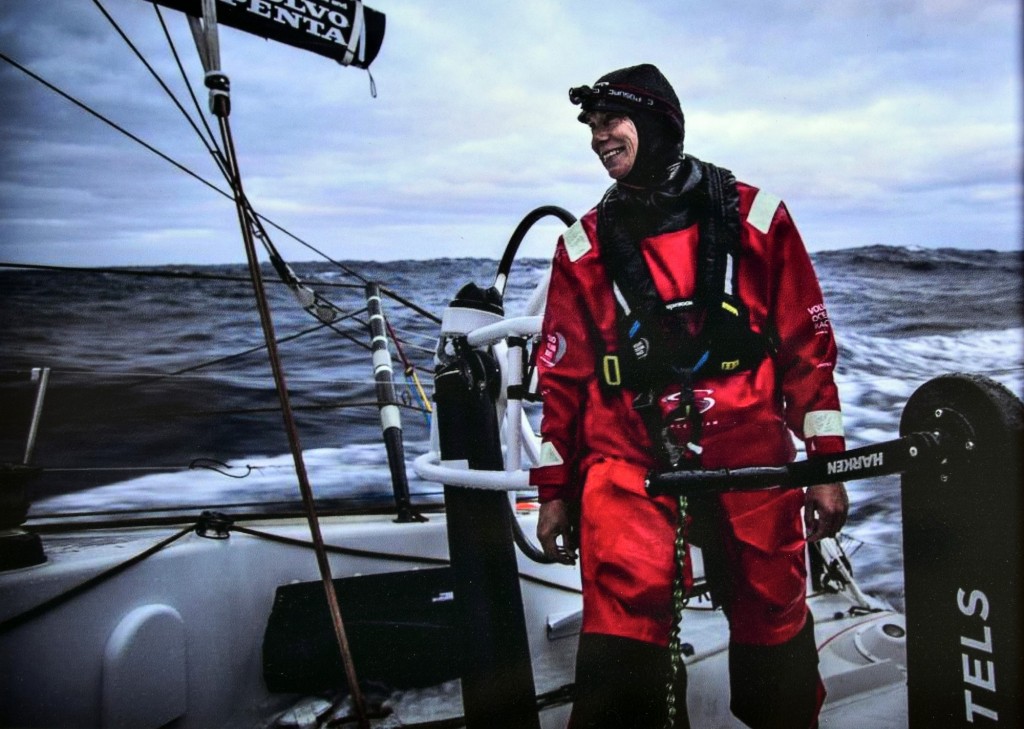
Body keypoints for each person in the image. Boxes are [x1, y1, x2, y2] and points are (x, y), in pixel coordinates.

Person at [531, 64, 849, 729]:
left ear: (655, 122)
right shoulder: (582, 248)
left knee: (775, 606)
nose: (598, 139)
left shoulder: (760, 219)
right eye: (591, 128)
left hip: (752, 448)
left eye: (609, 123)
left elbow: (805, 350)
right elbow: (562, 382)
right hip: (627, 457)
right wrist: (556, 487)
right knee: (620, 617)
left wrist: (824, 465)